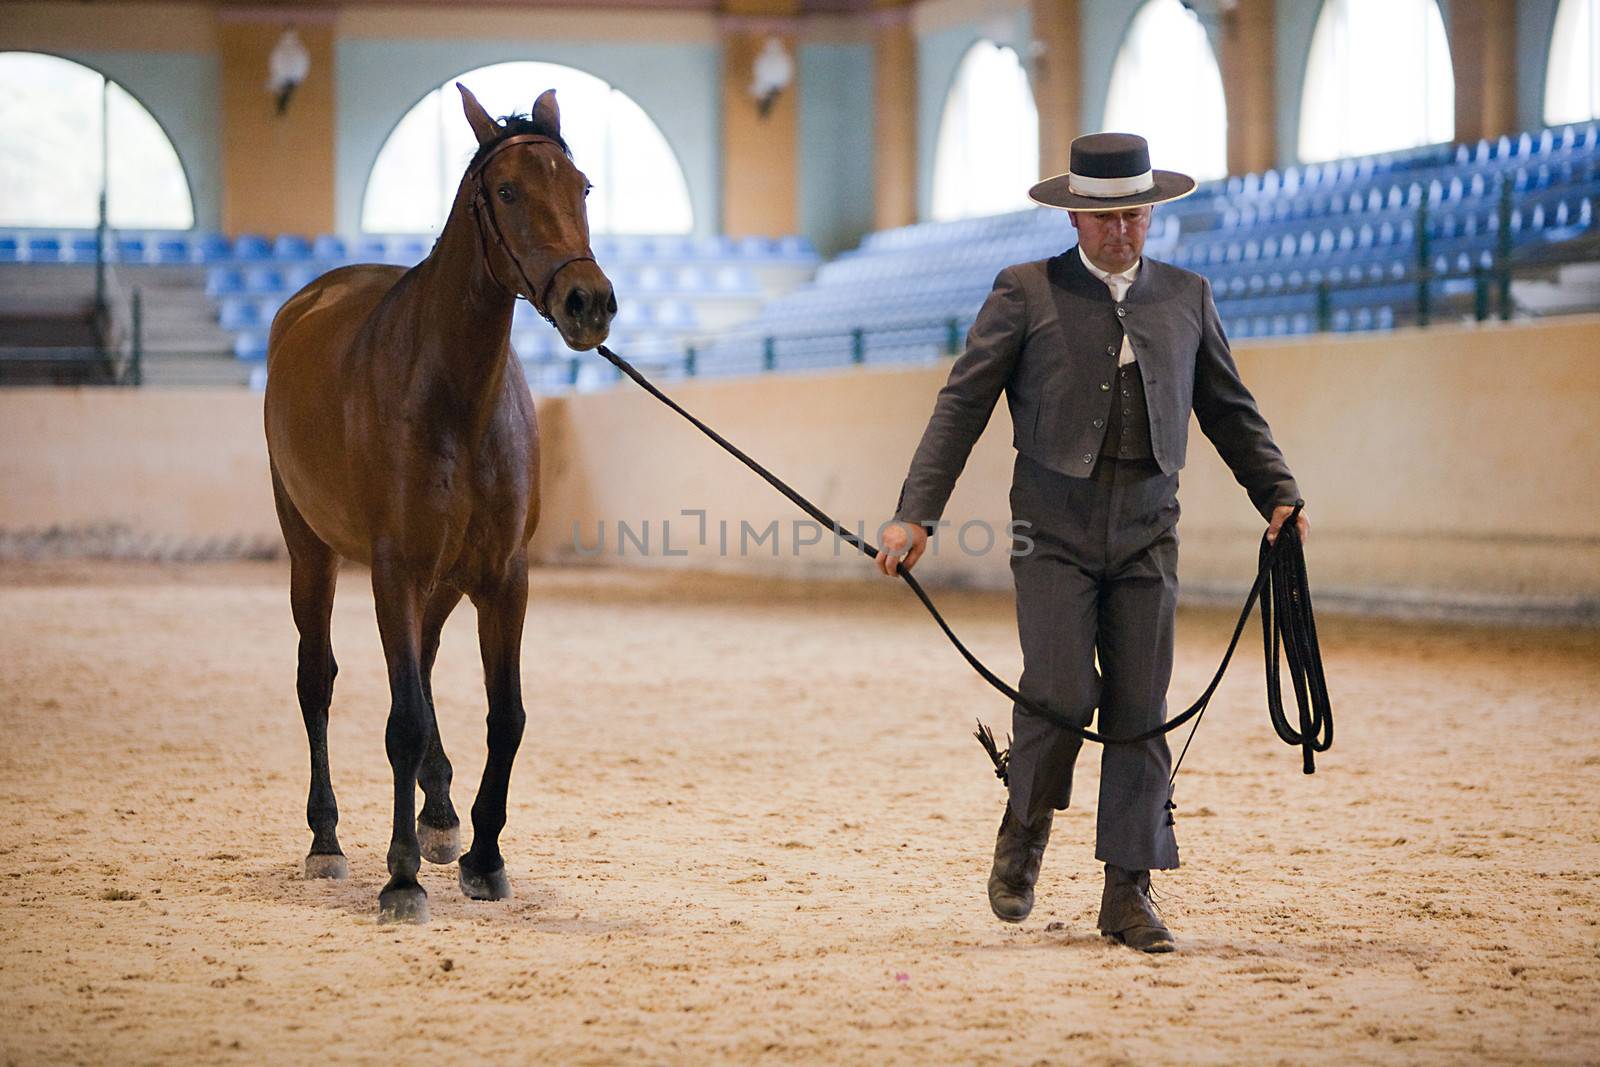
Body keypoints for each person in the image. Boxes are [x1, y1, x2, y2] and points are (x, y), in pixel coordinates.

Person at [875, 132, 1309, 953]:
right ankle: (1026, 822)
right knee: (1063, 689)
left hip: (1149, 530)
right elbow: (960, 407)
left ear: (1151, 214)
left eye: (1136, 214)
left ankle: (1129, 890)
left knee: (1143, 706)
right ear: (1076, 218)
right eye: (1106, 217)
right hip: (1054, 530)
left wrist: (1278, 492)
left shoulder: (1187, 296)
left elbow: (1229, 408)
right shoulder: (1024, 291)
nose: (1123, 230)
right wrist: (915, 514)